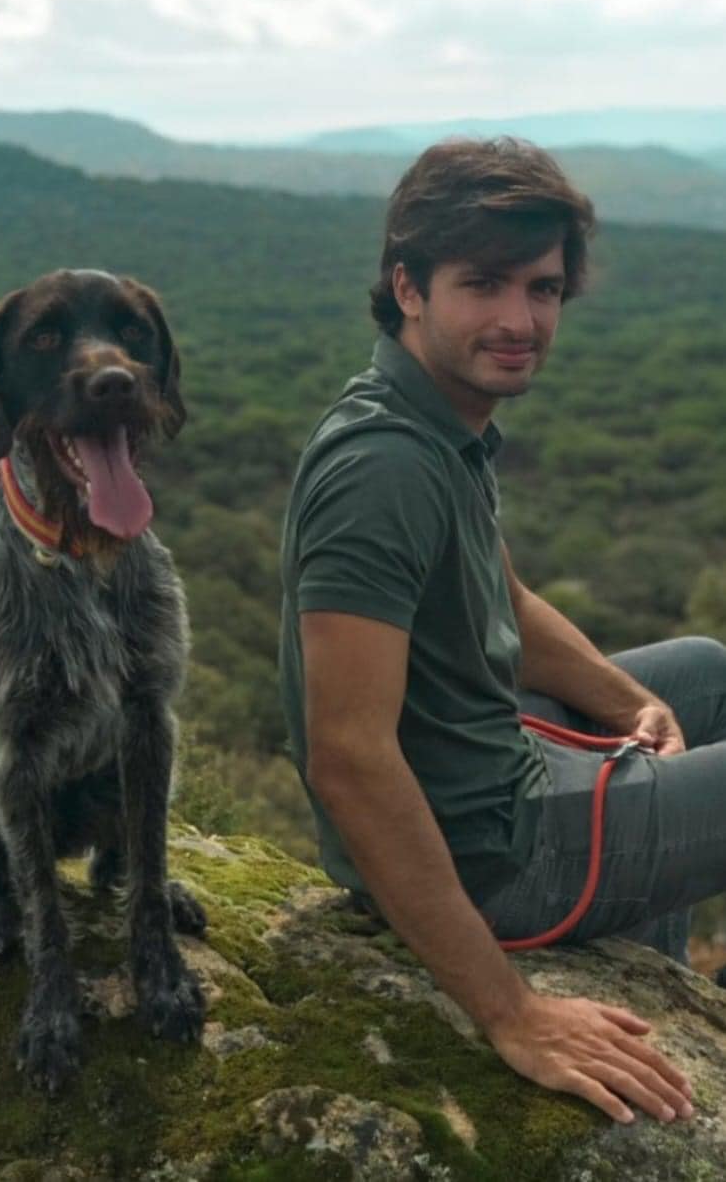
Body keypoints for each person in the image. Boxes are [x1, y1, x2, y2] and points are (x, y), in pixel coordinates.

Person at [279, 137, 726, 1125]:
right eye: (483, 284)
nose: (520, 320)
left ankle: (652, 984)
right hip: (497, 857)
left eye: (544, 289)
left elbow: (507, 604)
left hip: (490, 777)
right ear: (408, 286)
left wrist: (633, 703)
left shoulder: (441, 422)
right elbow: (345, 756)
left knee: (702, 675)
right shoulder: (384, 469)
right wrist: (510, 1012)